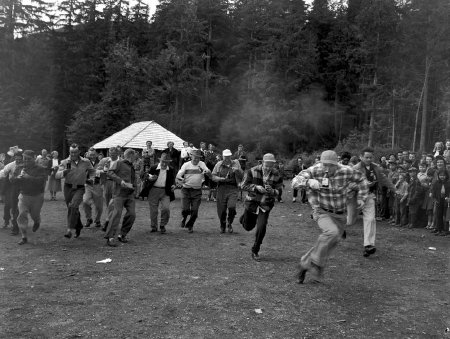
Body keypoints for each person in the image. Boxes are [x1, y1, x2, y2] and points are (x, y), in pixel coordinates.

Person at [292, 150, 368, 283]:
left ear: (337, 163)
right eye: (324, 165)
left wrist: (361, 197)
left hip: (340, 214)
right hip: (321, 211)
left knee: (331, 242)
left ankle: (304, 264)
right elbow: (295, 181)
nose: (327, 168)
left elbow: (361, 179)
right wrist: (308, 182)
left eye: (330, 165)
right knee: (331, 232)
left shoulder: (346, 171)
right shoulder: (315, 170)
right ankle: (316, 263)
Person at [348, 147, 395, 257]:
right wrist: (363, 185)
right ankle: (337, 230)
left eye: (370, 157)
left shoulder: (376, 168)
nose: (369, 159)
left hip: (369, 196)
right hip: (355, 197)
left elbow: (384, 179)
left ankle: (368, 245)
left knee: (370, 219)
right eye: (366, 157)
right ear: (361, 157)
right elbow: (349, 184)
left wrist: (394, 189)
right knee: (349, 221)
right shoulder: (354, 169)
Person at [239, 153, 283, 262]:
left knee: (261, 227)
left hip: (265, 204)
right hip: (252, 203)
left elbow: (279, 191)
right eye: (266, 165)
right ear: (262, 162)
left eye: (271, 165)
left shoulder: (277, 174)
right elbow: (243, 185)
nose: (268, 168)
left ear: (273, 165)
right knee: (248, 227)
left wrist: (272, 191)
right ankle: (243, 218)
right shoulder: (252, 171)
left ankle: (255, 250)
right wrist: (255, 187)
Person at [56, 143, 95, 239]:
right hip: (68, 187)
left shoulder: (86, 161)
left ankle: (70, 229)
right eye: (71, 152)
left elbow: (92, 171)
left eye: (75, 152)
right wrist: (64, 172)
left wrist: (92, 179)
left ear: (79, 152)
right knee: (72, 209)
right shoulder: (65, 162)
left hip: (80, 188)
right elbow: (57, 175)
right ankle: (79, 226)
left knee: (73, 206)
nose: (73, 154)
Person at [105, 149, 137, 246]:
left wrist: (134, 187)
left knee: (132, 214)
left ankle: (122, 234)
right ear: (131, 155)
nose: (136, 157)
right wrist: (120, 181)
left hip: (130, 194)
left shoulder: (132, 166)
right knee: (116, 214)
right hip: (119, 193)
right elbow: (109, 173)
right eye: (135, 155)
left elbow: (133, 178)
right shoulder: (119, 163)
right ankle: (110, 237)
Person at [15, 150, 48, 245]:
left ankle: (37, 221)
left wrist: (28, 177)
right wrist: (17, 178)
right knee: (21, 214)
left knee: (35, 215)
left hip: (37, 196)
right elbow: (13, 180)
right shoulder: (20, 167)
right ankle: (24, 236)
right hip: (23, 195)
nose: (26, 161)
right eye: (25, 159)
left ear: (34, 158)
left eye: (28, 159)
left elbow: (41, 181)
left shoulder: (40, 168)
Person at [176, 149, 211, 233]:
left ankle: (190, 225)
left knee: (194, 211)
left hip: (197, 191)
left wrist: (207, 171)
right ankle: (184, 218)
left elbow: (207, 170)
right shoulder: (186, 165)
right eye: (195, 157)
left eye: (198, 158)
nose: (196, 159)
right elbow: (179, 175)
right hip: (186, 190)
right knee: (185, 209)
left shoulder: (202, 164)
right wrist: (181, 178)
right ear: (191, 156)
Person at [141, 153, 176, 234]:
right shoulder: (154, 167)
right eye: (163, 161)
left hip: (165, 191)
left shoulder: (171, 169)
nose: (164, 163)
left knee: (166, 208)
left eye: (166, 162)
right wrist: (150, 178)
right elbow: (145, 175)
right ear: (160, 160)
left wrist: (174, 185)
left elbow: (172, 180)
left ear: (168, 162)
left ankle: (162, 225)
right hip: (153, 190)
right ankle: (154, 227)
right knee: (154, 211)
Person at [212, 149, 243, 233]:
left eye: (228, 156)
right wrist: (220, 179)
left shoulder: (236, 163)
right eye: (225, 156)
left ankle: (229, 223)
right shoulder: (218, 164)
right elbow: (213, 176)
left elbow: (242, 176)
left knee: (232, 207)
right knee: (221, 210)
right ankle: (223, 224)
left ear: (231, 156)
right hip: (221, 188)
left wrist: (237, 170)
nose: (227, 158)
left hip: (233, 188)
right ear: (222, 156)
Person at [0, 147, 24, 235]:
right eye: (16, 159)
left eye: (20, 159)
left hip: (23, 187)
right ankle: (7, 221)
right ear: (14, 158)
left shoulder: (26, 165)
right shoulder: (11, 165)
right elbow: (3, 172)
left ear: (22, 159)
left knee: (20, 207)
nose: (18, 161)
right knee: (8, 205)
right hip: (11, 187)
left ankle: (19, 223)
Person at [82, 150, 103, 228]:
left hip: (98, 185)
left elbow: (105, 172)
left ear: (96, 154)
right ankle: (89, 219)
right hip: (88, 185)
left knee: (99, 206)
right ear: (88, 154)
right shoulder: (85, 162)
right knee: (85, 201)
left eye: (94, 154)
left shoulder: (101, 162)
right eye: (91, 154)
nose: (92, 156)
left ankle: (97, 220)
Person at [101, 147, 120, 231]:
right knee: (108, 203)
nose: (111, 155)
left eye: (113, 153)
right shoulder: (105, 160)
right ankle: (110, 219)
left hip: (116, 183)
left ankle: (107, 222)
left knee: (113, 203)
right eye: (110, 153)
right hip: (107, 183)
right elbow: (98, 170)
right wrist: (103, 169)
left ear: (117, 153)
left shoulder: (121, 162)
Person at [431, 169, 450, 236]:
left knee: (446, 216)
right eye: (440, 175)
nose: (442, 177)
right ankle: (439, 229)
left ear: (446, 176)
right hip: (439, 200)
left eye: (444, 175)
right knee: (438, 215)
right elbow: (433, 192)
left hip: (446, 201)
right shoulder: (436, 183)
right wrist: (435, 199)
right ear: (438, 176)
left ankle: (446, 230)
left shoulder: (448, 183)